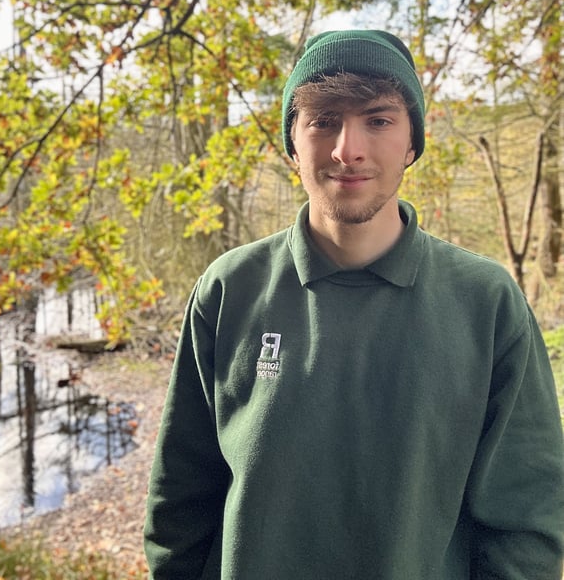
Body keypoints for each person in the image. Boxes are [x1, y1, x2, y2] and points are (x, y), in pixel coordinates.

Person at [144, 30, 564, 579]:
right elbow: (180, 501)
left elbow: (527, 518)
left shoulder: (485, 303)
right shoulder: (230, 291)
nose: (349, 148)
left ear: (412, 142)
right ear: (293, 144)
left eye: (378, 119)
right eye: (323, 120)